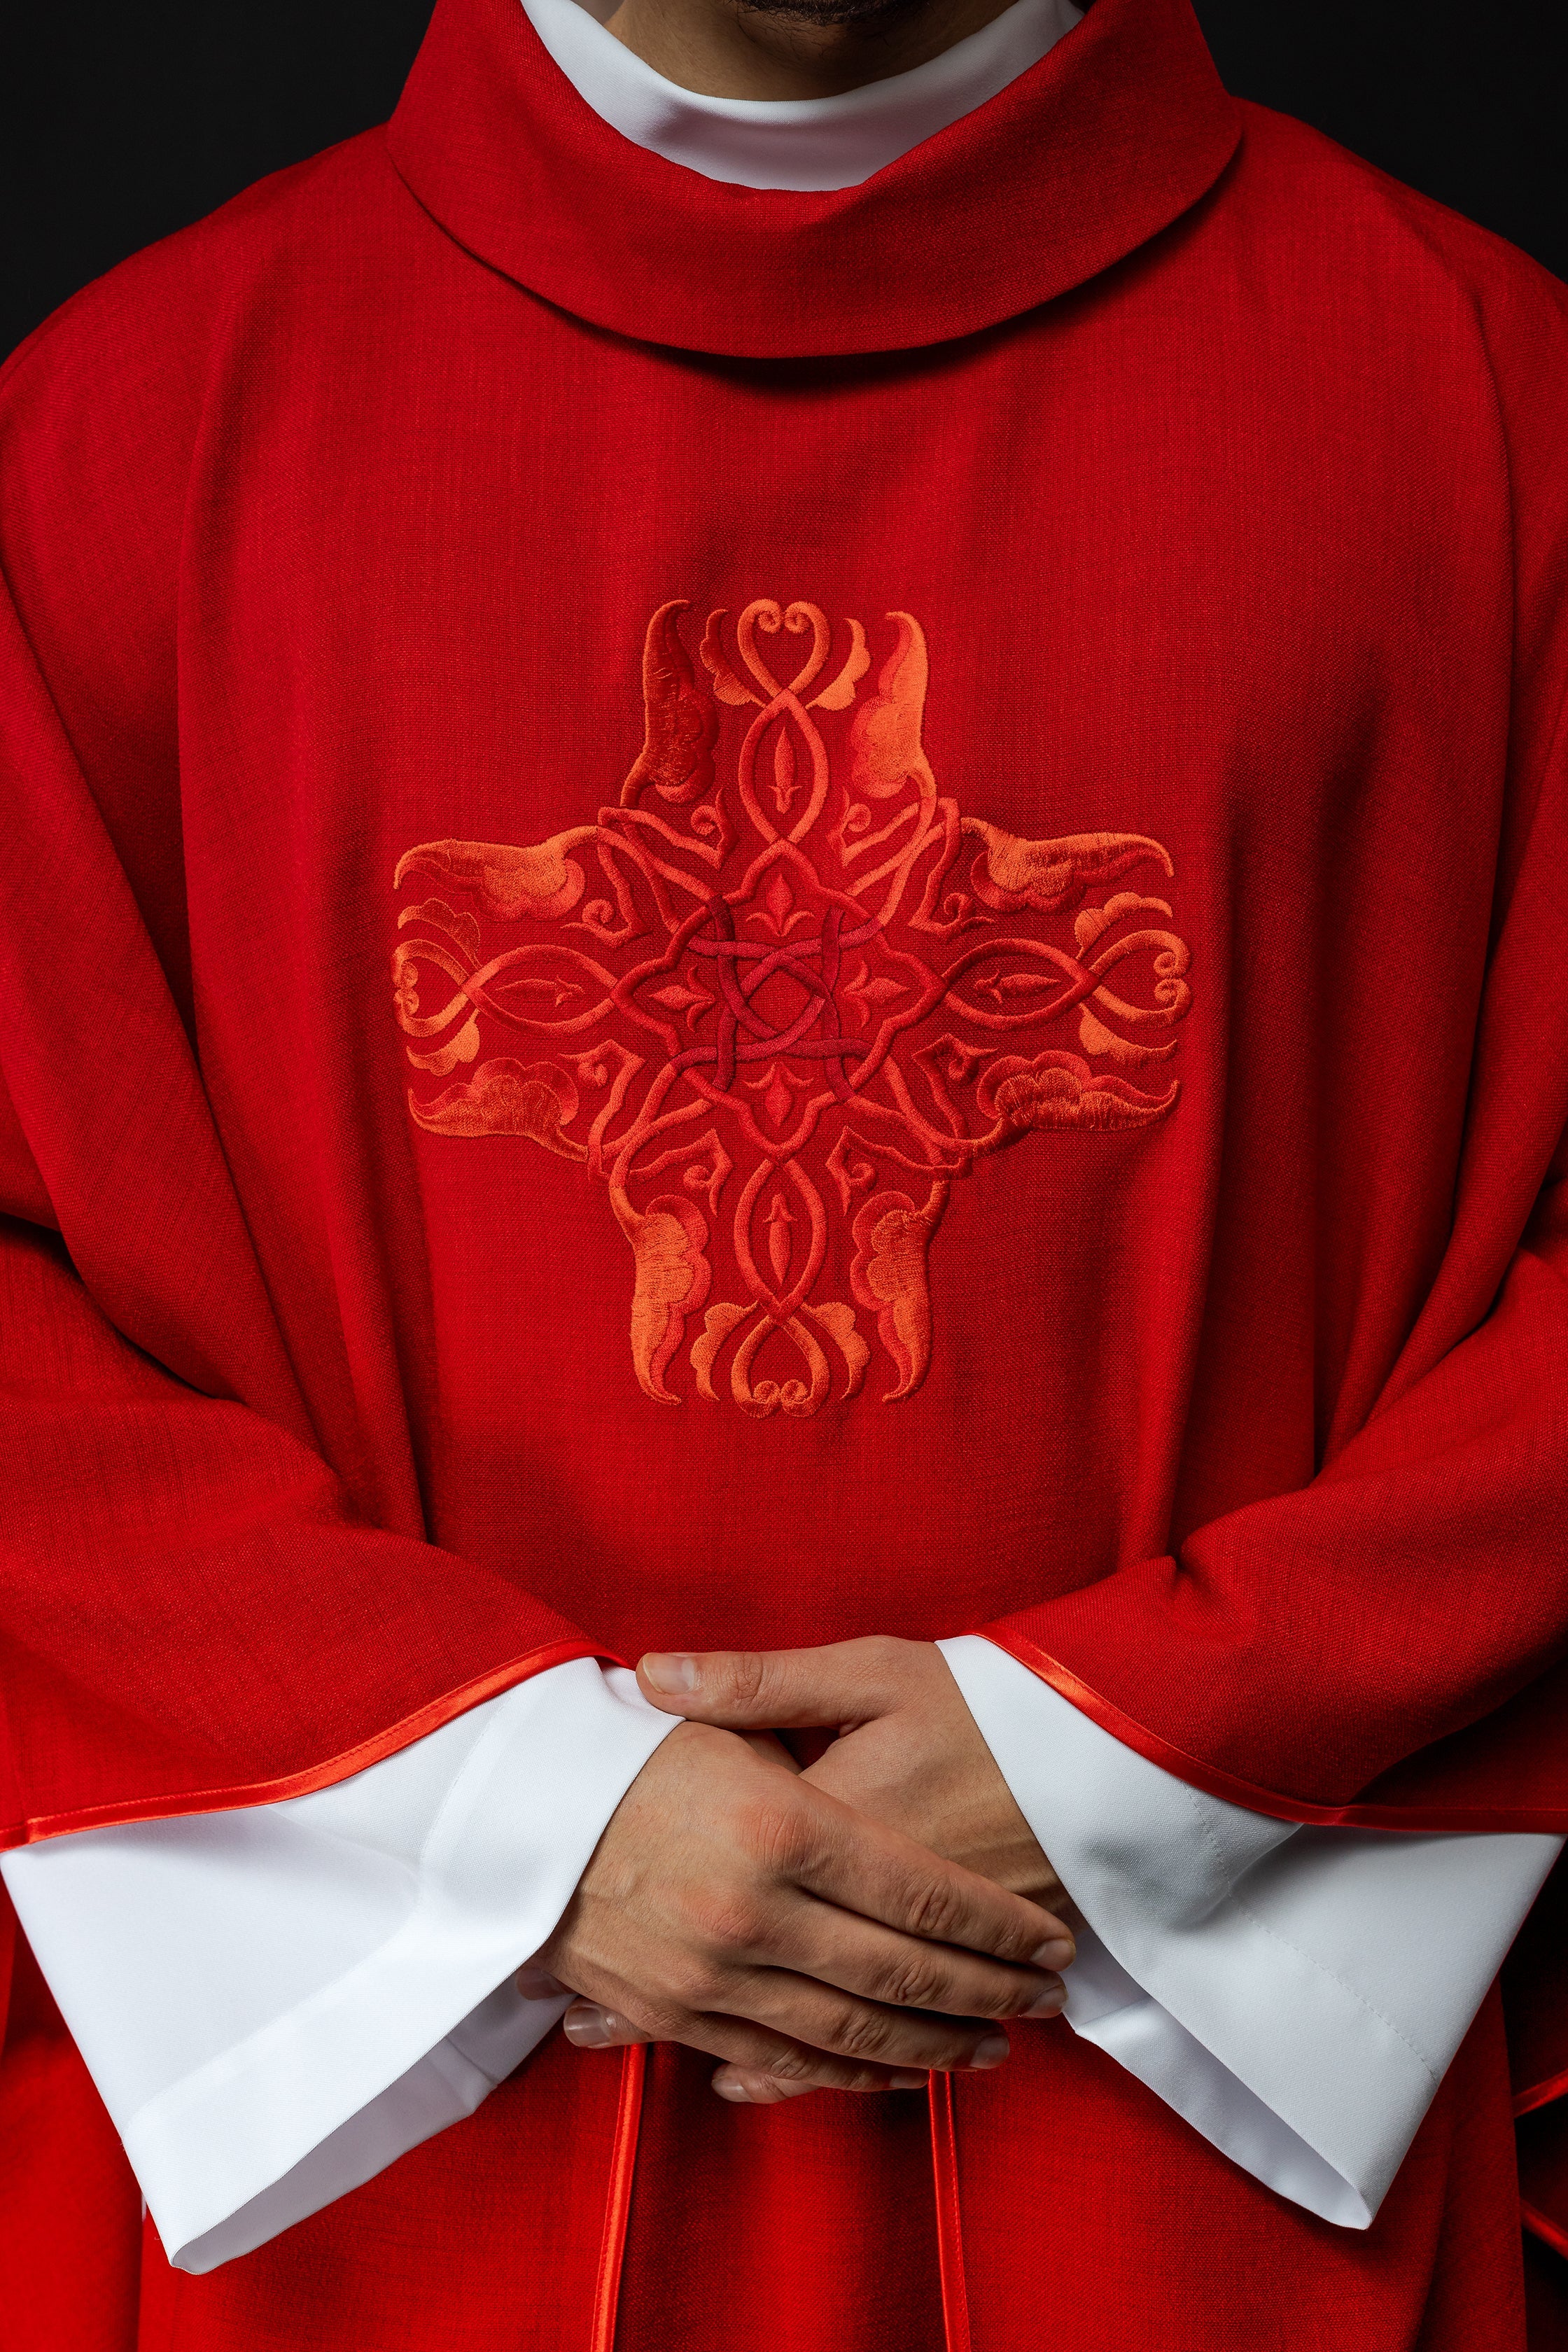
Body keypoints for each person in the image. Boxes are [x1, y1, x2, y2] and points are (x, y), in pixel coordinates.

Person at [1, 0, 1566, 2343]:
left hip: (1202, 2181)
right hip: (382, 2188)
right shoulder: (126, 432)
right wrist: (514, 1814)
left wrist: (1137, 1745)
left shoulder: (1485, 403)